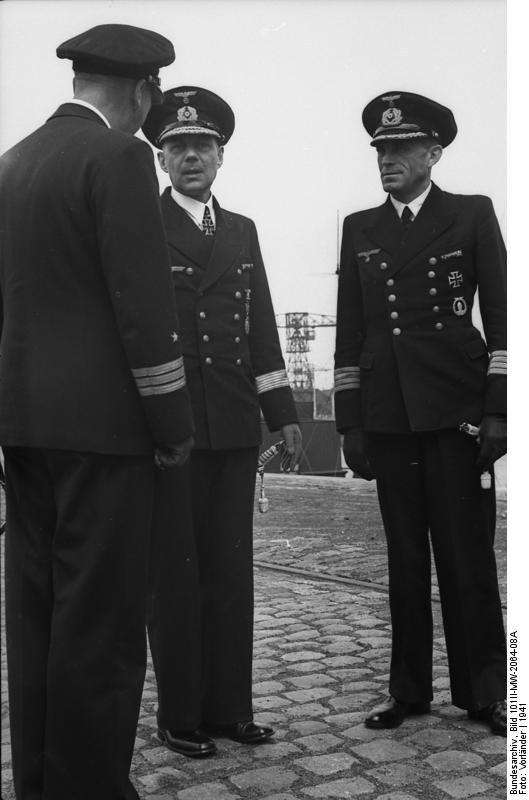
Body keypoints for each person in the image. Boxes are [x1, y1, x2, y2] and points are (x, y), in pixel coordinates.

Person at [0, 24, 194, 800]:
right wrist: (171, 426)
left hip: (25, 428)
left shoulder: (13, 162)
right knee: (102, 629)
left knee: (37, 619)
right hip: (107, 437)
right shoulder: (118, 158)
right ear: (143, 92)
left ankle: (41, 783)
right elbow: (143, 309)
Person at [334, 91, 506, 736]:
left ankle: (488, 690)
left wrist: (500, 413)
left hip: (459, 413)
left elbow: (505, 322)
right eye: (381, 149)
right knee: (404, 560)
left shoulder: (471, 215)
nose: (388, 160)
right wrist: (351, 422)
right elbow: (349, 330)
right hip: (388, 415)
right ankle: (407, 690)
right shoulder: (360, 227)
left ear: (433, 153)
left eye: (402, 149)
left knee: (468, 559)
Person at [142, 87, 302, 758]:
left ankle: (231, 708)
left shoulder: (240, 232)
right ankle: (180, 715)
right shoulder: (140, 226)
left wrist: (283, 415)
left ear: (220, 156)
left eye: (201, 147)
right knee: (177, 576)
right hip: (172, 430)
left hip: (234, 425)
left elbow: (261, 326)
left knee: (232, 574)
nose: (189, 157)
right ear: (161, 158)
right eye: (177, 148)